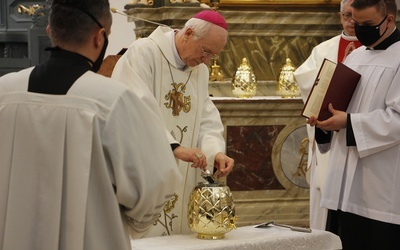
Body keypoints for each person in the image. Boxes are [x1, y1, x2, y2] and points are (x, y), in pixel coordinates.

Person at [0, 0, 181, 249]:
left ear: (50, 32)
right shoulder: (114, 100)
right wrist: (135, 224)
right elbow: (155, 183)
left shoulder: (4, 92)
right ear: (99, 38)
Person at [112, 10, 234, 236]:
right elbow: (134, 109)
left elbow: (206, 116)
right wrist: (175, 147)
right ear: (188, 33)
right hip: (148, 177)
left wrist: (214, 152)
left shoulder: (200, 70)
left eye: (212, 56)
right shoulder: (144, 53)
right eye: (206, 51)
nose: (206, 61)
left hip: (185, 182)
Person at [307, 0, 400, 248]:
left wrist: (349, 122)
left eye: (367, 24)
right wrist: (324, 122)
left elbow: (398, 119)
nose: (359, 30)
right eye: (356, 23)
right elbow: (338, 106)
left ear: (389, 20)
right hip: (341, 186)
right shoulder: (355, 57)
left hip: (379, 188)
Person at [293, 0, 361, 230]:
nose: (351, 21)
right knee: (324, 210)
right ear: (339, 15)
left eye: (356, 15)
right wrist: (334, 76)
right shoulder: (324, 49)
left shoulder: (375, 48)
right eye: (346, 15)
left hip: (357, 136)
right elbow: (304, 78)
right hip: (327, 135)